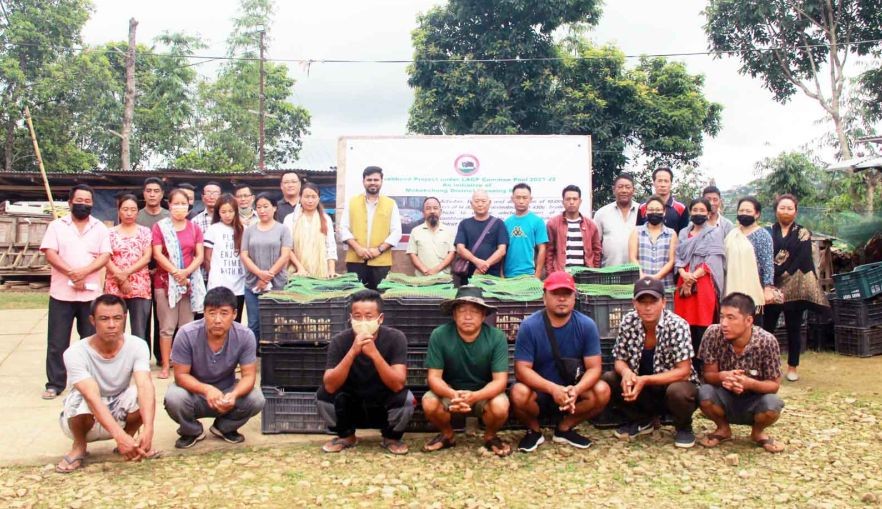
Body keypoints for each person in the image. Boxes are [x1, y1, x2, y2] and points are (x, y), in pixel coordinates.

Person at [55, 295, 158, 473]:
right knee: (78, 400)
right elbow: (91, 396)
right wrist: (118, 436)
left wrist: (149, 429)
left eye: (117, 318)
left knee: (141, 393)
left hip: (118, 405)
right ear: (92, 321)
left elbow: (144, 385)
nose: (112, 325)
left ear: (125, 318)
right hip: (86, 413)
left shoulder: (138, 345)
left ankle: (132, 440)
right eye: (104, 319)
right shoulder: (75, 352)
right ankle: (79, 445)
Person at [510, 271, 610, 452]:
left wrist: (576, 390)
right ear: (544, 297)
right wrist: (552, 389)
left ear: (574, 297)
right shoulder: (529, 326)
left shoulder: (586, 325)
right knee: (518, 392)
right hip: (539, 392)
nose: (561, 299)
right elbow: (521, 370)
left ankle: (564, 428)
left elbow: (594, 368)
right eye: (555, 294)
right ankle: (533, 430)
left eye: (567, 294)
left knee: (602, 390)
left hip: (572, 394)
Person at [601, 277, 699, 448]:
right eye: (642, 301)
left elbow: (684, 371)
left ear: (663, 302)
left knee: (679, 391)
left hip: (669, 386)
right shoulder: (628, 321)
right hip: (642, 387)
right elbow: (619, 359)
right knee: (610, 378)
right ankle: (641, 419)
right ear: (634, 303)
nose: (647, 307)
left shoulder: (677, 325)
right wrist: (626, 373)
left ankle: (683, 426)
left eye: (653, 301)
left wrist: (645, 379)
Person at [164, 287, 265, 449]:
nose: (217, 319)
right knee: (174, 397)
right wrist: (207, 390)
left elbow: (249, 376)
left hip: (227, 393)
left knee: (256, 398)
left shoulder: (245, 336)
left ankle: (224, 427)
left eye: (224, 313)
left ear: (234, 314)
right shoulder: (186, 334)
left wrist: (234, 394)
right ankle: (191, 430)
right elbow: (180, 376)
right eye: (212, 313)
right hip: (195, 394)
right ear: (203, 313)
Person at [316, 290, 414, 455]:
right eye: (357, 316)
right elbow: (330, 385)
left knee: (407, 399)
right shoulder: (340, 341)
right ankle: (346, 437)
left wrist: (374, 354)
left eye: (369, 317)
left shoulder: (396, 338)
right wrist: (353, 352)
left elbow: (398, 384)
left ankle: (391, 437)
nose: (362, 321)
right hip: (351, 403)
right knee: (322, 396)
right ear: (350, 318)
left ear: (380, 319)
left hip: (383, 402)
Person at [39, 184, 111, 400]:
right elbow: (50, 252)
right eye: (79, 200)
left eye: (88, 201)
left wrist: (83, 272)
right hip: (62, 293)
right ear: (70, 202)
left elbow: (105, 255)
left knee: (91, 340)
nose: (83, 204)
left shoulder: (99, 227)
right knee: (57, 341)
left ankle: (89, 382)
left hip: (90, 295)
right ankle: (55, 383)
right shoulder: (57, 226)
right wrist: (70, 272)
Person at [421, 286, 512, 456]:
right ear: (454, 314)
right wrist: (452, 394)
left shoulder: (496, 337)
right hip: (450, 393)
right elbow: (433, 378)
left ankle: (490, 436)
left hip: (484, 393)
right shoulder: (439, 335)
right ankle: (447, 435)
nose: (468, 316)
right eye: (462, 311)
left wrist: (475, 396)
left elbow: (500, 381)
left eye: (475, 311)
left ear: (483, 315)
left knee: (500, 406)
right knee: (429, 402)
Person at [697, 293, 785, 453]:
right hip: (723, 396)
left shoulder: (767, 341)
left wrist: (748, 383)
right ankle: (723, 429)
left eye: (731, 318)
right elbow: (708, 375)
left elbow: (774, 385)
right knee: (704, 393)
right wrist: (723, 377)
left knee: (772, 405)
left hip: (755, 399)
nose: (724, 323)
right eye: (722, 317)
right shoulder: (712, 334)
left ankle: (758, 432)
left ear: (749, 320)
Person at [761, 194, 829, 382]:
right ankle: (766, 365)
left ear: (795, 211)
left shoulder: (803, 233)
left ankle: (792, 367)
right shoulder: (766, 232)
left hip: (795, 286)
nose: (785, 211)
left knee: (793, 328)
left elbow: (802, 258)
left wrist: (784, 272)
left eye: (790, 208)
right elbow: (764, 256)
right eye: (782, 208)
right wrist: (771, 277)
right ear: (776, 210)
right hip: (771, 286)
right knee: (767, 328)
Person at [151, 188, 205, 379]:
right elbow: (157, 254)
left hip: (189, 283)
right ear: (169, 205)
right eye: (176, 204)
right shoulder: (160, 227)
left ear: (188, 206)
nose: (180, 207)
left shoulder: (194, 228)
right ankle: (166, 365)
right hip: (165, 282)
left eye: (184, 203)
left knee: (187, 326)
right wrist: (175, 272)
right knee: (167, 327)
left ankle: (184, 365)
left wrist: (186, 273)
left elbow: (199, 255)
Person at [674, 197, 726, 369]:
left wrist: (693, 276)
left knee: (703, 324)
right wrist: (683, 273)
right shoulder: (683, 233)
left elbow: (712, 260)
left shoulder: (714, 233)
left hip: (703, 283)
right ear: (690, 212)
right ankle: (686, 366)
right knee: (685, 325)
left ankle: (704, 367)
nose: (698, 213)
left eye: (702, 210)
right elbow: (678, 256)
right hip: (683, 282)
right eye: (695, 210)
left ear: (708, 212)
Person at [339, 166, 402, 290]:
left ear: (381, 182)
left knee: (379, 297)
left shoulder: (390, 203)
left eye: (376, 179)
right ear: (363, 181)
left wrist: (378, 250)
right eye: (369, 180)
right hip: (355, 260)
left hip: (381, 261)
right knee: (355, 297)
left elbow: (396, 232)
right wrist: (358, 249)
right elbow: (343, 228)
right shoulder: (352, 202)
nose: (372, 182)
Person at [240, 193, 292, 341]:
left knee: (277, 321)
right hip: (253, 283)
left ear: (274, 208)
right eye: (259, 207)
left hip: (277, 284)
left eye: (266, 206)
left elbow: (285, 255)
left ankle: (274, 355)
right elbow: (244, 255)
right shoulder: (249, 230)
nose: (262, 210)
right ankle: (253, 355)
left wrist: (268, 275)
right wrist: (259, 274)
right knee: (254, 323)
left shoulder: (283, 229)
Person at [105, 194, 153, 345]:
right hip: (114, 285)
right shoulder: (109, 233)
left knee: (139, 330)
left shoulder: (145, 232)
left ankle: (140, 363)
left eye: (133, 209)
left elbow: (146, 257)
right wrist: (120, 278)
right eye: (125, 209)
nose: (129, 213)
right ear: (119, 211)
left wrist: (125, 274)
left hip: (140, 287)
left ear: (138, 212)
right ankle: (116, 361)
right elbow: (105, 257)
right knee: (115, 327)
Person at [724, 197, 775, 325]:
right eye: (741, 211)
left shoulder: (762, 235)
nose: (744, 214)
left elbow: (767, 264)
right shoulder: (732, 234)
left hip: (753, 289)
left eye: (748, 211)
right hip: (731, 286)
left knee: (752, 327)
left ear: (757, 214)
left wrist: (768, 288)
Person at [137, 177, 169, 367]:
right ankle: (142, 357)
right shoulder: (136, 215)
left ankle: (161, 356)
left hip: (163, 273)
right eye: (148, 190)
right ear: (144, 193)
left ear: (162, 194)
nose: (152, 194)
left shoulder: (168, 216)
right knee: (142, 318)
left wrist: (160, 267)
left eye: (156, 191)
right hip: (139, 274)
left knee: (162, 316)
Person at [204, 194, 246, 322]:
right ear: (218, 212)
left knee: (235, 320)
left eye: (230, 211)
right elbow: (207, 258)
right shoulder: (213, 230)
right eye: (223, 211)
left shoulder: (243, 229)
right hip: (218, 284)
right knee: (218, 320)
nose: (227, 215)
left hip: (238, 284)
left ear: (236, 211)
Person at [284, 182, 338, 278]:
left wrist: (331, 270)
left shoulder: (326, 219)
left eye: (313, 197)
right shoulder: (291, 219)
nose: (310, 200)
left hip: (321, 271)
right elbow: (287, 247)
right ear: (300, 197)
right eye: (307, 196)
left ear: (319, 199)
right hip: (296, 272)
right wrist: (300, 268)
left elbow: (330, 246)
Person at [454, 189, 509, 284]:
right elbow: (460, 248)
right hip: (469, 276)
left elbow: (502, 250)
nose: (480, 204)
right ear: (471, 204)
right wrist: (476, 261)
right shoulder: (464, 224)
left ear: (489, 203)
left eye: (483, 201)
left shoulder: (499, 223)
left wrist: (484, 265)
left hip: (492, 277)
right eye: (476, 201)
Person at [545, 184, 601, 273]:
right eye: (568, 199)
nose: (571, 202)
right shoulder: (553, 224)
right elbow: (549, 252)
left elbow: (597, 251)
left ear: (580, 201)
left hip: (585, 276)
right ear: (563, 202)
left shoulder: (590, 225)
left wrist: (594, 271)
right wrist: (552, 273)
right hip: (562, 275)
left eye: (575, 199)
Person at [629, 195, 678, 291]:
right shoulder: (636, 232)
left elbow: (672, 260)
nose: (654, 212)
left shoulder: (672, 234)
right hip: (641, 284)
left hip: (665, 285)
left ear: (664, 212)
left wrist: (656, 277)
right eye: (651, 209)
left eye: (658, 209)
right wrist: (643, 277)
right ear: (646, 212)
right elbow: (632, 257)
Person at [593, 173, 639, 267]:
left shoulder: (642, 211)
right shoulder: (602, 213)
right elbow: (595, 245)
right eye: (620, 187)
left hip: (638, 271)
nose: (624, 190)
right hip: (610, 271)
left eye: (627, 187)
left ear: (633, 190)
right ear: (614, 190)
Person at [503, 183, 548, 278]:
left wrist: (537, 275)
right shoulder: (506, 223)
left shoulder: (537, 221)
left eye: (525, 198)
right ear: (512, 199)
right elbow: (502, 250)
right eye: (518, 197)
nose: (521, 201)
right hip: (508, 276)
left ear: (530, 199)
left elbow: (542, 249)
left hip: (529, 275)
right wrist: (501, 274)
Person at [406, 197, 455, 276]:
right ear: (423, 212)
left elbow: (452, 253)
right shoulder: (415, 231)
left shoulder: (449, 231)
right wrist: (425, 271)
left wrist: (435, 270)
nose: (432, 211)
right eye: (428, 208)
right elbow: (412, 254)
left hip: (444, 280)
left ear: (440, 211)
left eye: (435, 208)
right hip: (422, 279)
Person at [636, 167, 689, 232]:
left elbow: (684, 235)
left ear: (671, 184)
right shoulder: (643, 207)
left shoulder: (681, 208)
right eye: (660, 181)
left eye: (666, 181)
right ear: (654, 183)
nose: (663, 185)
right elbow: (638, 232)